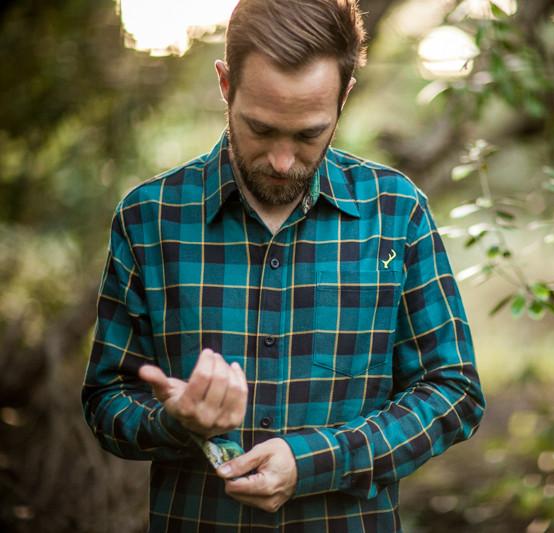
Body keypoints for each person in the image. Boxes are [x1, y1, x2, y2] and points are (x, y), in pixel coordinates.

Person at [81, 0, 485, 531]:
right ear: (226, 84)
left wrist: (319, 460)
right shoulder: (149, 218)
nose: (280, 160)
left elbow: (452, 389)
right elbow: (107, 400)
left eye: (307, 135)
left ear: (344, 97)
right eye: (262, 129)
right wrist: (173, 422)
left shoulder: (396, 211)